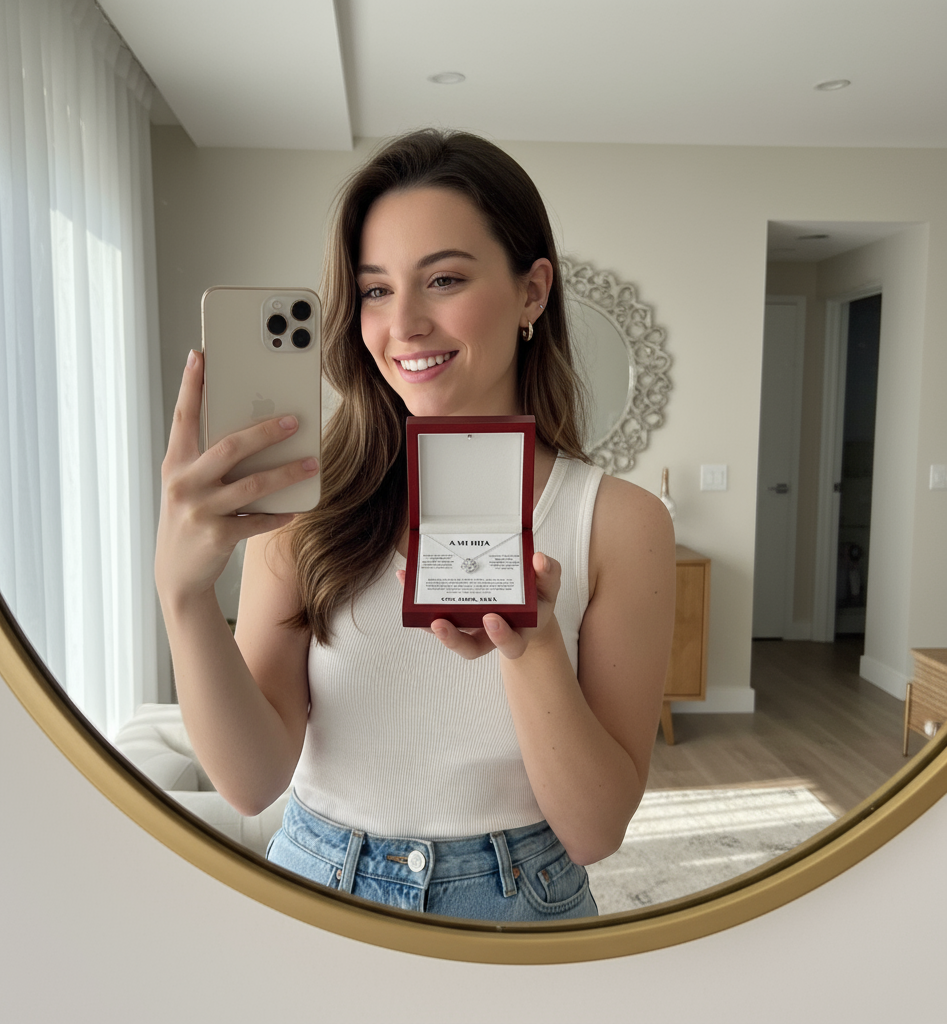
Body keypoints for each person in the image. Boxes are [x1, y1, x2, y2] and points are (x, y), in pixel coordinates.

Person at [154, 129, 676, 922]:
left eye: (443, 279)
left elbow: (595, 830)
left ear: (533, 292)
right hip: (316, 888)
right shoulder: (306, 511)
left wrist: (532, 649)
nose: (405, 325)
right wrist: (183, 593)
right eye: (375, 290)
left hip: (521, 904)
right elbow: (251, 780)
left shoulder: (619, 524)